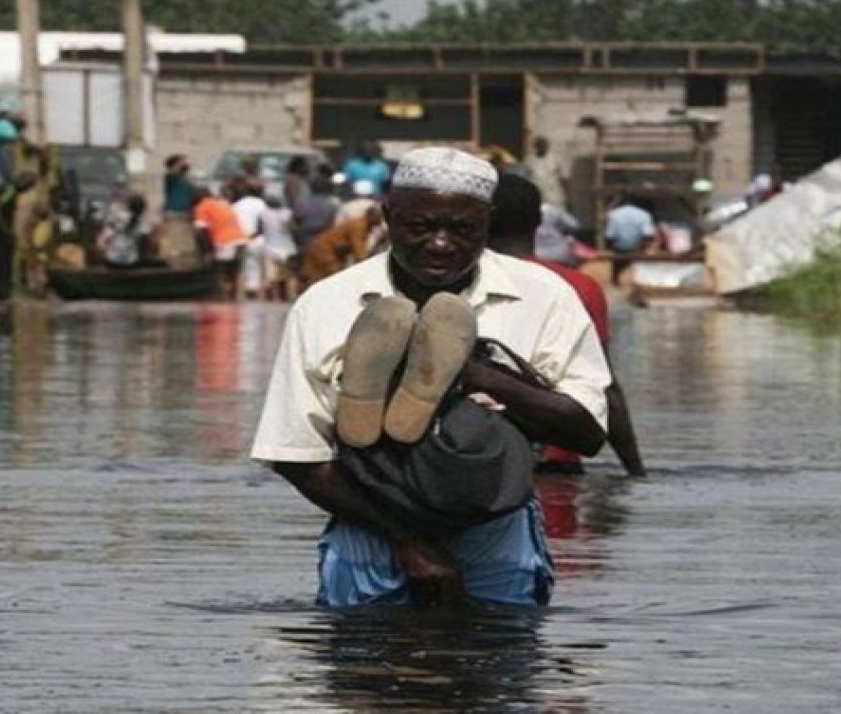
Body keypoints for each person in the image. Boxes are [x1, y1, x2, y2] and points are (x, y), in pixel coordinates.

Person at [251, 146, 611, 607]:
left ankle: (456, 376)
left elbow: (587, 433)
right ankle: (393, 402)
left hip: (494, 520)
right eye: (421, 227)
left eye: (463, 229)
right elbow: (294, 454)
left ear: (489, 222)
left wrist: (479, 376)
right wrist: (408, 541)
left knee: (491, 663)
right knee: (368, 670)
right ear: (388, 216)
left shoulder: (543, 297)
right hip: (372, 520)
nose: (440, 243)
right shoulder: (328, 304)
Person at [488, 174, 646, 477]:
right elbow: (605, 387)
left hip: (475, 457)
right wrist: (634, 469)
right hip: (556, 463)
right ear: (538, 221)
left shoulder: (457, 281)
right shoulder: (578, 286)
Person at [298, 204, 385, 290]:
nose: (380, 221)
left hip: (323, 249)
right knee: (334, 276)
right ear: (371, 216)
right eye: (378, 217)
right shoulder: (359, 226)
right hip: (324, 250)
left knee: (319, 277)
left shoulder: (364, 226)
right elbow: (359, 252)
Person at [0, 170, 38, 304]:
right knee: (1, 271)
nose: (26, 191)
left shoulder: (9, 189)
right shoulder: (10, 190)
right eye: (28, 186)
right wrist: (6, 232)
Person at [192, 185, 247, 299]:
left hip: (224, 241)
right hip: (240, 239)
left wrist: (208, 251)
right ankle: (232, 298)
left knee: (219, 271)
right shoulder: (221, 203)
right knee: (233, 272)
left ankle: (222, 298)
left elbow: (202, 232)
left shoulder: (202, 206)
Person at [604, 193, 657, 284]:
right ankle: (638, 282)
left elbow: (610, 235)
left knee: (617, 265)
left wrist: (610, 248)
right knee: (639, 267)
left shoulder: (614, 214)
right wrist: (644, 246)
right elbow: (648, 235)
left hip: (619, 247)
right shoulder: (644, 214)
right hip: (637, 247)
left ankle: (615, 280)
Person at [291, 177, 340, 254]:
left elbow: (295, 224)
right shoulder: (330, 205)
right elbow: (332, 225)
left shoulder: (301, 203)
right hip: (324, 241)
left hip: (305, 241)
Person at [523, 136, 567, 210]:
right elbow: (526, 179)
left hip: (554, 197)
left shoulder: (554, 159)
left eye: (543, 145)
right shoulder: (529, 160)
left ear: (547, 146)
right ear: (535, 147)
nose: (541, 147)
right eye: (539, 145)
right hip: (537, 196)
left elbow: (562, 178)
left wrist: (566, 196)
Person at [162, 154, 196, 218]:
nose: (185, 164)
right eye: (181, 162)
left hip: (186, 212)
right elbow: (174, 170)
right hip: (174, 212)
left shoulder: (186, 180)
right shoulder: (171, 177)